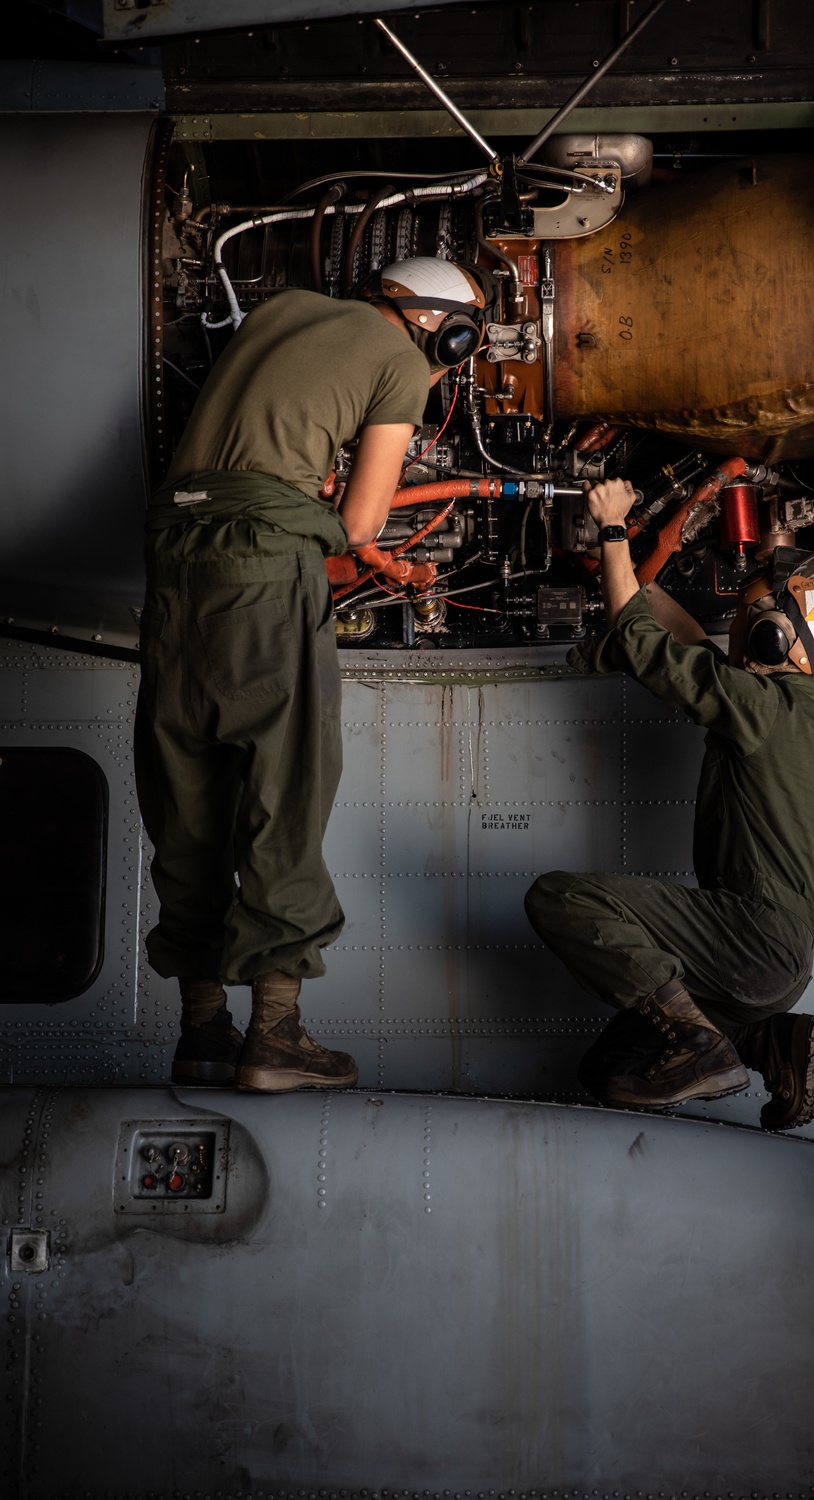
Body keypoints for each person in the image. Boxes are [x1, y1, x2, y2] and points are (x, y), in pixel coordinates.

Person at [136, 257, 487, 1092]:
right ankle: (278, 1035)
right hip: (262, 569)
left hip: (172, 560)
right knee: (283, 790)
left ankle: (203, 1034)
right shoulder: (404, 362)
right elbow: (363, 520)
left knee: (187, 795)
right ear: (445, 326)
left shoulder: (282, 307)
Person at [524, 477, 814, 1129]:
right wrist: (620, 568)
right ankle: (766, 1043)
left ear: (769, 643)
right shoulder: (803, 716)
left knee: (559, 898)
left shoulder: (760, 710)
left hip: (747, 941)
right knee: (610, 1070)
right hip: (770, 970)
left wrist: (614, 530)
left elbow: (643, 644)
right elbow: (687, 641)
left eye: (747, 620)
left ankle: (701, 1046)